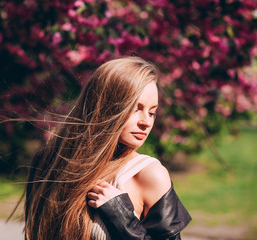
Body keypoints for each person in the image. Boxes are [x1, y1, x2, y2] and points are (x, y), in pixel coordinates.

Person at [24, 56, 191, 240]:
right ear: (106, 107)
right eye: (136, 108)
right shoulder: (49, 162)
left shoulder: (149, 175)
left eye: (152, 112)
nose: (146, 122)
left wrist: (122, 218)